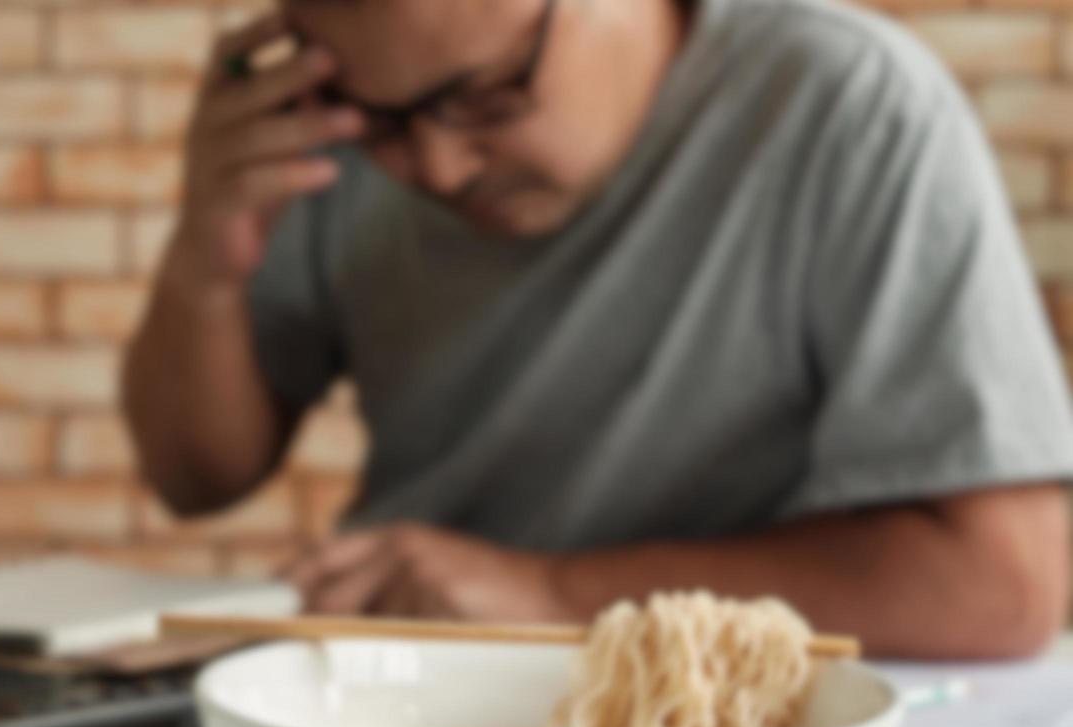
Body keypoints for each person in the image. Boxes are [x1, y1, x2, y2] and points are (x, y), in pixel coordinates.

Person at [122, 0, 1073, 660]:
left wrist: (552, 597)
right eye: (380, 122)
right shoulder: (332, 138)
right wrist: (206, 261)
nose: (440, 168)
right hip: (405, 719)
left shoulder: (848, 105)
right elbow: (195, 475)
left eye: (484, 96)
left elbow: (1008, 584)